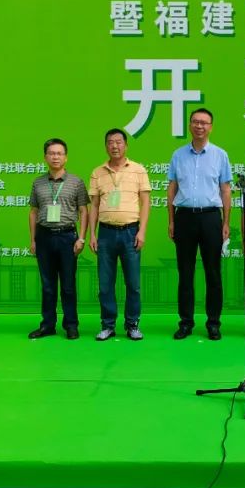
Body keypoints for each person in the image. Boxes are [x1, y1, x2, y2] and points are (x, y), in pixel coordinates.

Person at [166, 108, 232, 340]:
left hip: (211, 218)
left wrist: (226, 222)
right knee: (185, 273)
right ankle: (186, 322)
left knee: (213, 273)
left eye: (204, 122)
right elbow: (172, 188)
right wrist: (171, 220)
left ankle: (213, 323)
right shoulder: (178, 155)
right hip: (184, 217)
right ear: (190, 125)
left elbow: (225, 190)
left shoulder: (220, 155)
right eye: (195, 122)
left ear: (210, 127)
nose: (199, 126)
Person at [88, 128, 151, 341]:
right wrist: (92, 234)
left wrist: (142, 231)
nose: (114, 146)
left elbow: (145, 202)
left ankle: (132, 325)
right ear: (105, 146)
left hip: (130, 232)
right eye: (110, 142)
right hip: (105, 233)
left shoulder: (138, 170)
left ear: (126, 145)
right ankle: (108, 325)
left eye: (118, 142)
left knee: (133, 284)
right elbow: (94, 205)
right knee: (105, 284)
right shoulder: (97, 172)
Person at [28, 138, 88, 340]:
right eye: (51, 153)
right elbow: (33, 212)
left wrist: (81, 238)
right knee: (47, 285)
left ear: (66, 157)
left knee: (68, 285)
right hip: (44, 236)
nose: (55, 157)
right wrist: (33, 239)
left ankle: (71, 325)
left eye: (59, 153)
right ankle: (47, 325)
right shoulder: (38, 182)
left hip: (67, 237)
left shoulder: (76, 182)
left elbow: (83, 210)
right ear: (45, 157)